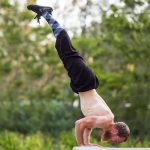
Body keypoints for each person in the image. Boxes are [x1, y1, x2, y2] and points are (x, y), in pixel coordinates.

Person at [27, 5, 130, 146]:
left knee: (63, 50)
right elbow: (79, 124)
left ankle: (47, 15)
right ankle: (47, 14)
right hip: (85, 81)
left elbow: (87, 127)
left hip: (85, 82)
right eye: (119, 140)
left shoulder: (104, 122)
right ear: (116, 132)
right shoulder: (106, 121)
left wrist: (88, 144)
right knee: (65, 48)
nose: (116, 142)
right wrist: (83, 146)